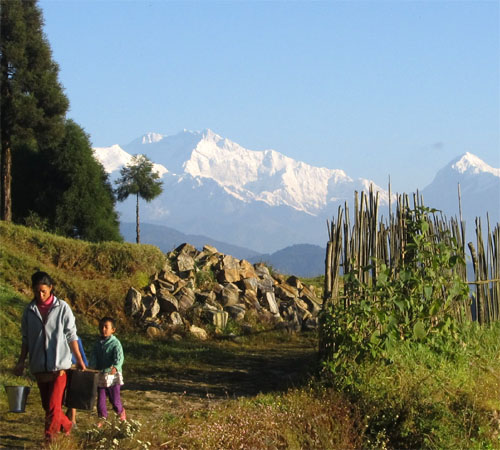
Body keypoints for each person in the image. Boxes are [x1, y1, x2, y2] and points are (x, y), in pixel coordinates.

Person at [13, 271, 86, 443]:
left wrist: (80, 360)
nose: (40, 294)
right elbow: (26, 339)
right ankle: (67, 426)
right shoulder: (29, 311)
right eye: (37, 291)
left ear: (51, 288)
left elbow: (71, 335)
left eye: (43, 291)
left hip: (59, 367)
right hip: (39, 366)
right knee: (48, 407)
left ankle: (49, 441)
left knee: (54, 406)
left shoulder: (62, 308)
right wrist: (21, 361)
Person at [89, 316, 126, 425]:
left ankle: (121, 412)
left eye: (106, 327)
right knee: (100, 401)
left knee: (115, 400)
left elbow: (120, 358)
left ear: (113, 330)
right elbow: (93, 356)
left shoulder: (115, 343)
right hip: (101, 375)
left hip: (112, 375)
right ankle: (102, 418)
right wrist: (92, 367)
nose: (103, 329)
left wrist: (115, 366)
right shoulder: (97, 344)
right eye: (101, 327)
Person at [66, 336, 88, 426]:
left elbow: (81, 353)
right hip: (61, 368)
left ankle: (73, 419)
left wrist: (84, 364)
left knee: (73, 392)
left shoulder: (77, 338)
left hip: (74, 368)